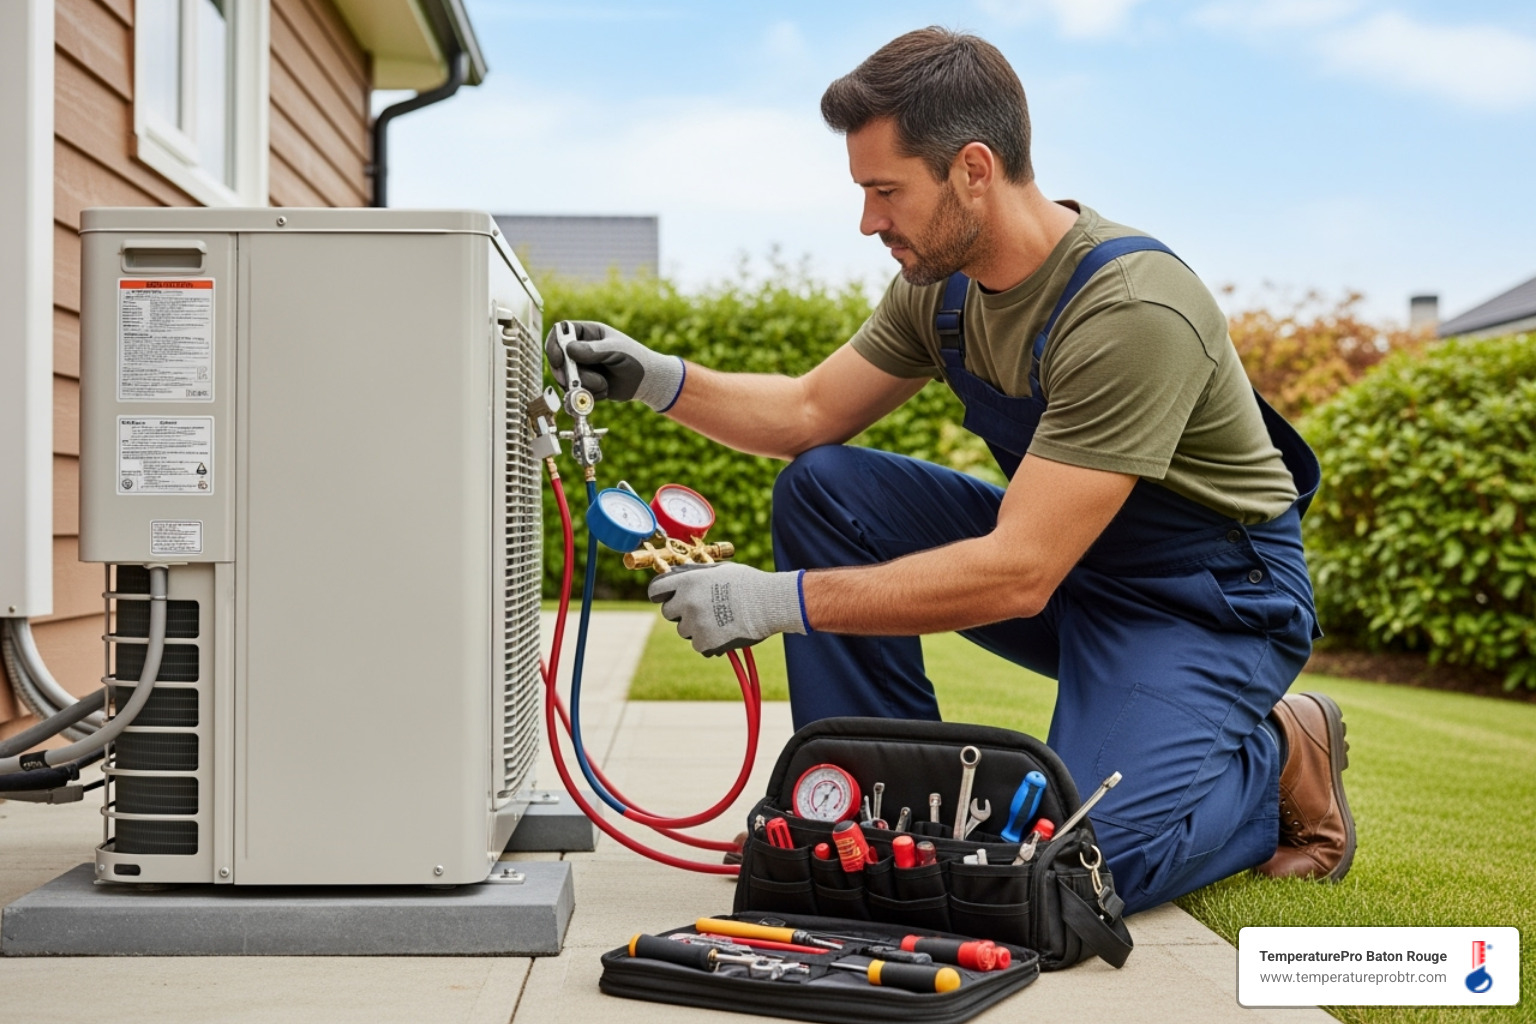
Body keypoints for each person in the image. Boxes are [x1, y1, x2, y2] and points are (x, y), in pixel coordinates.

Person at [545, 27, 1355, 912]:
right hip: (1074, 566)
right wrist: (655, 378)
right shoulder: (942, 288)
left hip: (1208, 602)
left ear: (974, 169)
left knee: (1066, 875)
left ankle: (1280, 753)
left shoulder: (1132, 308)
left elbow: (1017, 571)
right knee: (825, 487)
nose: (869, 221)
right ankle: (873, 815)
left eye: (885, 191)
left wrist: (772, 601)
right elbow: (809, 413)